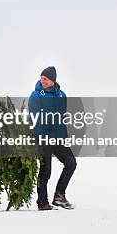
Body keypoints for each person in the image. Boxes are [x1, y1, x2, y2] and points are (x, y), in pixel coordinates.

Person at [28, 66, 76, 210]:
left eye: (46, 79)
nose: (42, 81)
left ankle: (59, 196)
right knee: (46, 170)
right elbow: (36, 117)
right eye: (41, 78)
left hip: (58, 138)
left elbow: (61, 118)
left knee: (71, 163)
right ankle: (42, 203)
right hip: (42, 137)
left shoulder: (62, 95)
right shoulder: (36, 95)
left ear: (53, 81)